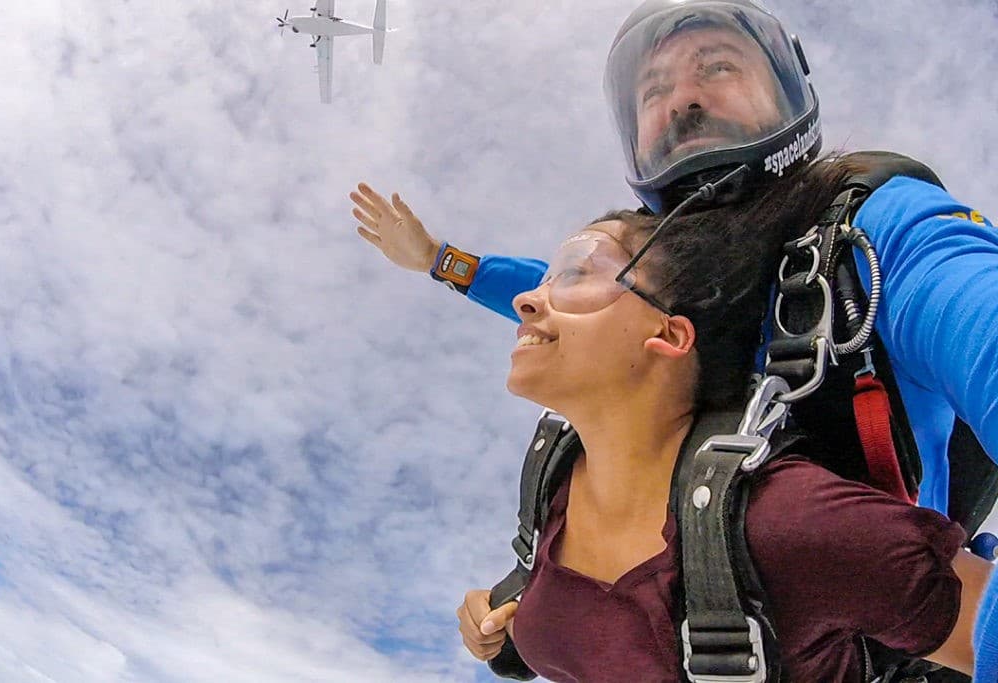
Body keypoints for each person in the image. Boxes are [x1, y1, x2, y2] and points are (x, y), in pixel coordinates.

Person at [349, 0, 998, 519]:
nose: (682, 97)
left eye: (717, 66)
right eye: (654, 87)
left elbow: (971, 306)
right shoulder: (660, 279)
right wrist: (441, 259)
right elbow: (571, 294)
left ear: (787, 88)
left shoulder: (879, 230)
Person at [442, 162, 994, 681]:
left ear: (671, 335)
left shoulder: (794, 523)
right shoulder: (551, 484)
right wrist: (509, 630)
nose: (525, 300)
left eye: (575, 275)